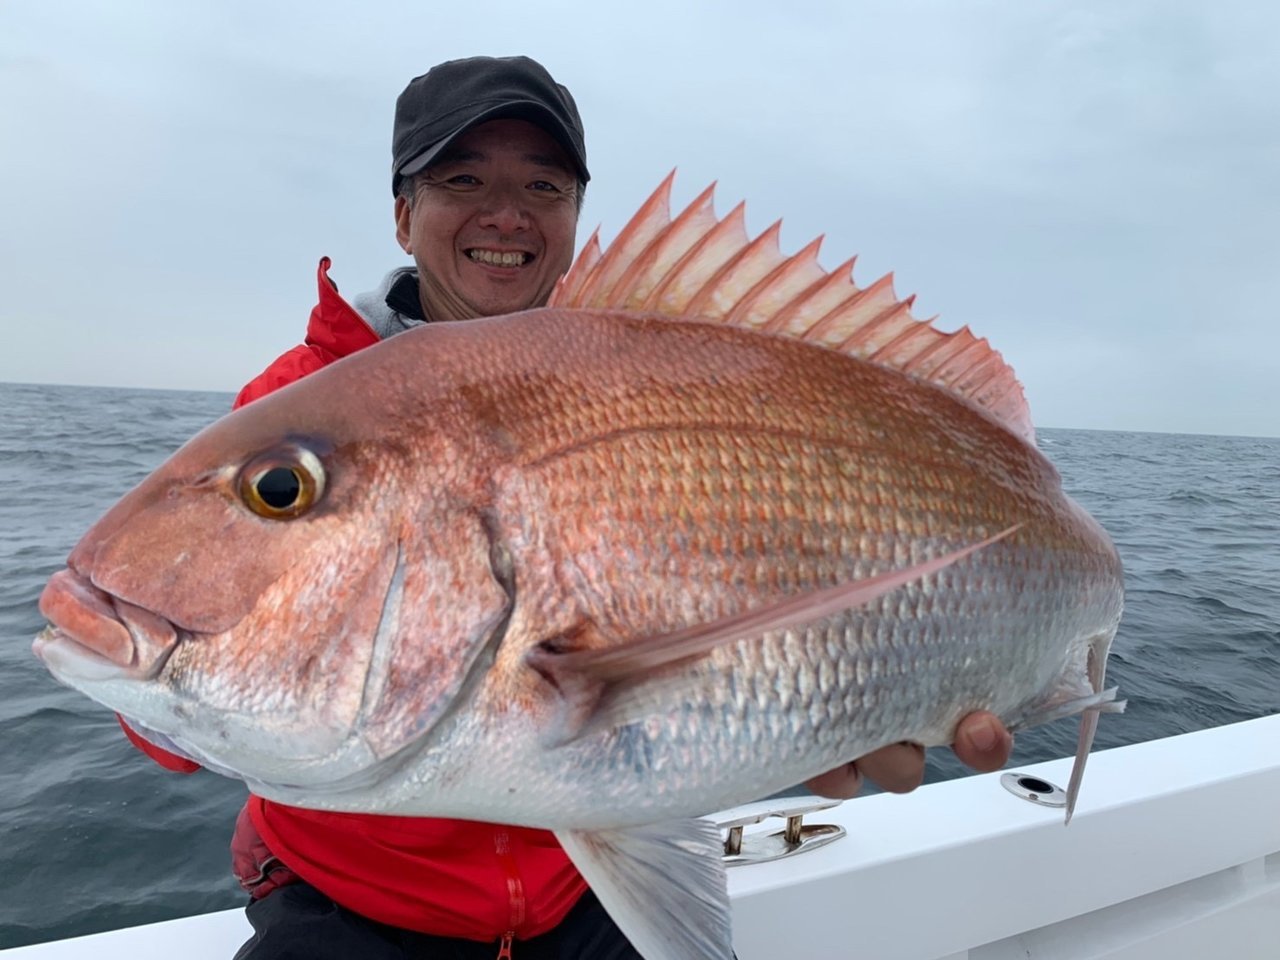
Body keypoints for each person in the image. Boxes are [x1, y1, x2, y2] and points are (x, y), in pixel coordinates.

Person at [120, 55, 1014, 959]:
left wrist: (876, 686)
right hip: (356, 908)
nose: (504, 214)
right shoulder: (304, 407)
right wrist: (155, 684)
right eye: (462, 179)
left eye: (542, 186)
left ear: (575, 217)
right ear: (402, 214)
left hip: (590, 889)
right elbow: (162, 698)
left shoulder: (661, 363)